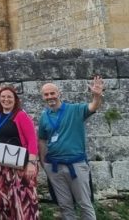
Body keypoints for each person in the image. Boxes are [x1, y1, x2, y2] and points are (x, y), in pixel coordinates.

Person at [38, 76, 105, 220]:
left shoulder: (75, 109)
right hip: (54, 167)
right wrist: (44, 164)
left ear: (59, 93)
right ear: (42, 97)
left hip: (76, 165)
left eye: (52, 93)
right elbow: (42, 140)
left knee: (85, 204)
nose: (50, 96)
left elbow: (93, 106)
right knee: (64, 206)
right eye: (46, 94)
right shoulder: (44, 117)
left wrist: (97, 95)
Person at [0, 86, 39, 220]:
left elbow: (32, 139)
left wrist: (32, 163)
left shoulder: (20, 115)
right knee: (3, 202)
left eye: (9, 97)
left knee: (22, 202)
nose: (6, 99)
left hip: (19, 166)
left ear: (15, 99)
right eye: (3, 97)